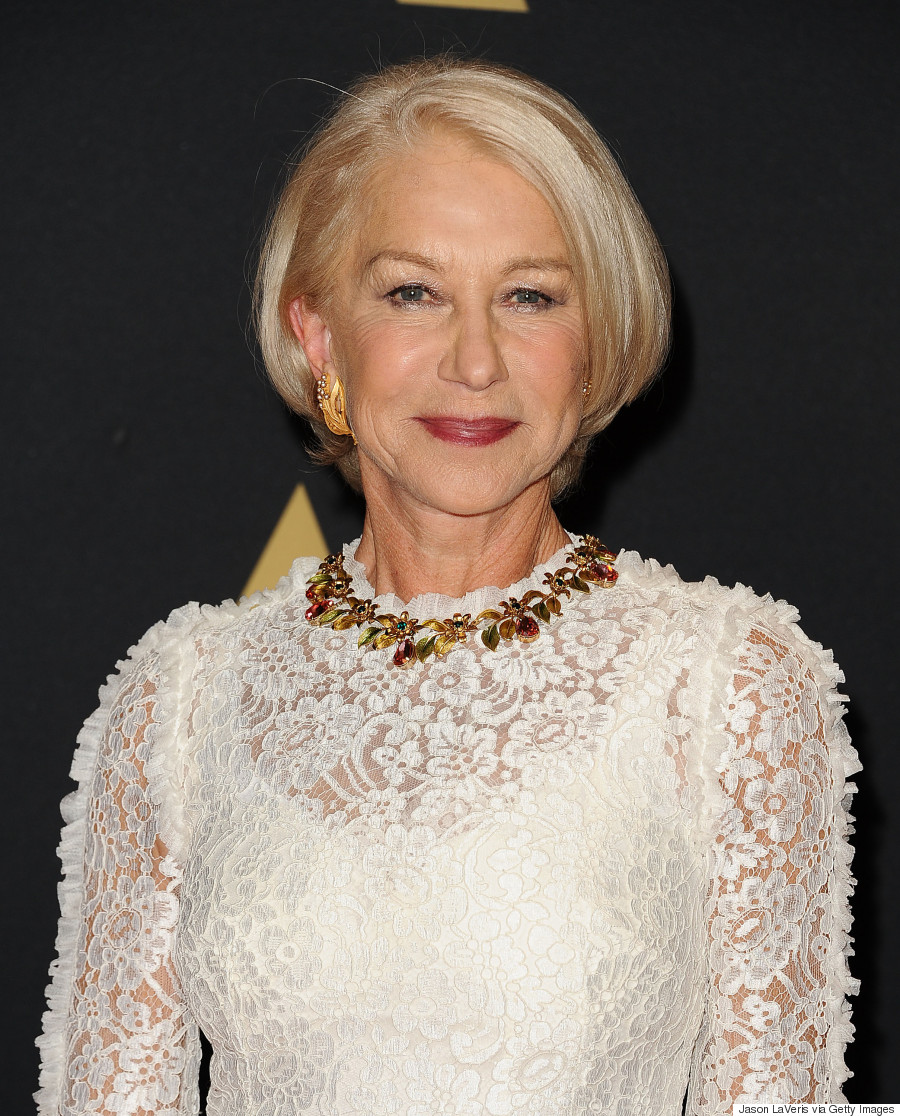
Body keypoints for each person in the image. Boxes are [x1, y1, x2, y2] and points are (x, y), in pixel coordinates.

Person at [35, 56, 860, 1115]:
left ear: (595, 342)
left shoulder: (729, 688)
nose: (476, 361)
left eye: (529, 296)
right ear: (319, 334)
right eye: (413, 292)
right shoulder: (181, 700)